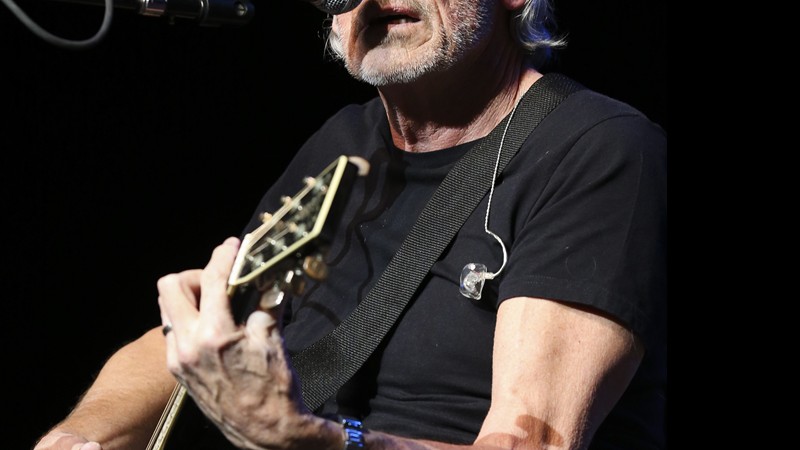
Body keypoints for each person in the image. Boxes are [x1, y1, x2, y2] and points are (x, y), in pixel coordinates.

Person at [33, 0, 667, 448]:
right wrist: (83, 434)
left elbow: (532, 443)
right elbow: (192, 335)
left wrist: (316, 442)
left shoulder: (595, 147)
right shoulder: (343, 143)